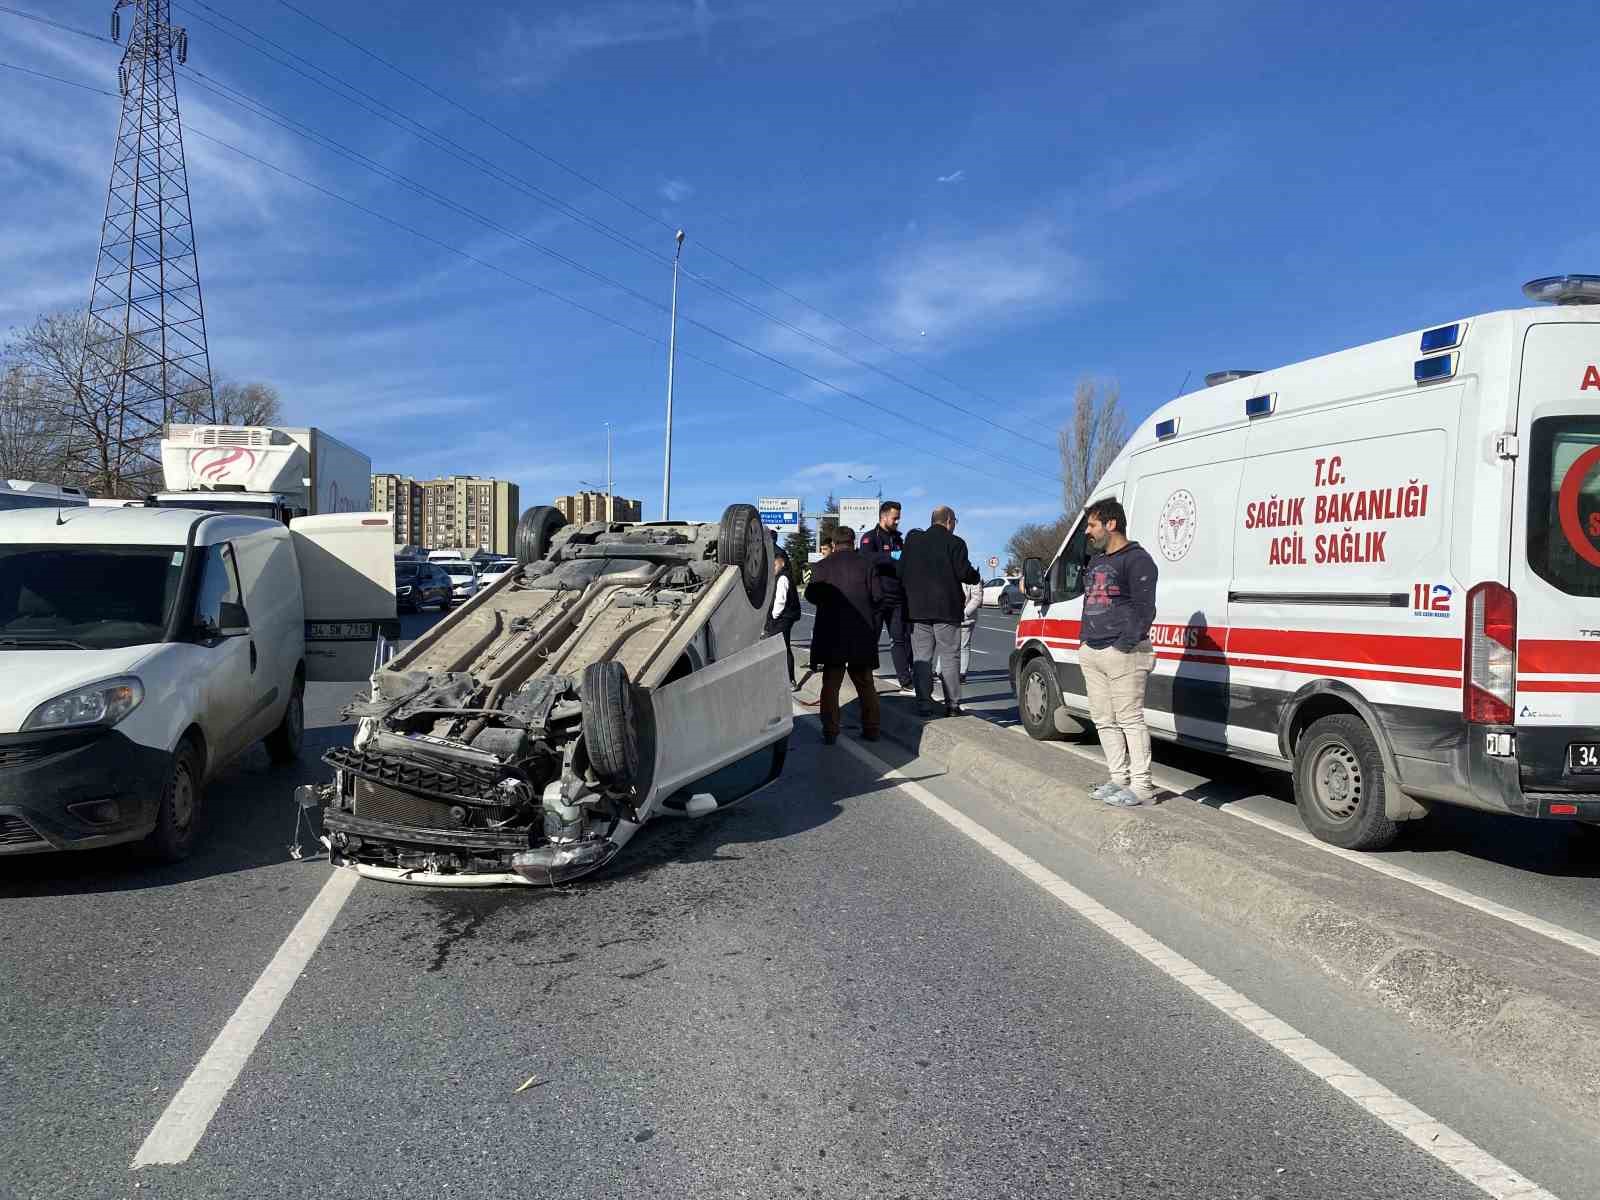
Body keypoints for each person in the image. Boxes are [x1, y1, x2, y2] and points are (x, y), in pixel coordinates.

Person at [1078, 497, 1159, 807]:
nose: (1087, 531)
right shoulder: (1096, 561)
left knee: (1130, 720)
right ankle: (1118, 779)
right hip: (1093, 650)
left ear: (1111, 524)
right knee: (1103, 719)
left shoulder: (1138, 560)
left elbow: (1144, 609)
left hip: (1125, 652)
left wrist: (1122, 645)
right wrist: (1084, 641)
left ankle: (1142, 787)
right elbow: (1089, 602)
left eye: (1092, 525)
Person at [898, 505, 980, 717]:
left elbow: (900, 571)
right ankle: (952, 705)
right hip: (946, 609)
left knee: (922, 658)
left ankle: (924, 704)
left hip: (917, 609)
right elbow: (964, 573)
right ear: (949, 521)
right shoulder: (956, 543)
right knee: (950, 657)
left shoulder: (913, 542)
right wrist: (975, 575)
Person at [803, 526, 882, 745]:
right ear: (853, 542)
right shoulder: (867, 565)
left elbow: (811, 596)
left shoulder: (821, 566)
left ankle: (830, 731)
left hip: (832, 634)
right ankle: (872, 729)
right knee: (865, 683)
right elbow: (878, 597)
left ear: (833, 543)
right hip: (861, 633)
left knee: (831, 684)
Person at [858, 501, 913, 692]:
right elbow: (867, 558)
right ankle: (865, 679)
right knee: (871, 639)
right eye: (894, 518)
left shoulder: (898, 539)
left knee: (899, 639)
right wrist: (891, 558)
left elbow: (904, 563)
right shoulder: (870, 538)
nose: (897, 522)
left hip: (897, 597)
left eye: (899, 518)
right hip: (877, 597)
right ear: (883, 516)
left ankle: (905, 680)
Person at [766, 549, 802, 689]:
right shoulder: (781, 577)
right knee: (783, 647)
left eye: (774, 565)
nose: (772, 568)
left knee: (781, 647)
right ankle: (786, 679)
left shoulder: (782, 578)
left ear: (782, 563)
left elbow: (780, 601)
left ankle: (789, 680)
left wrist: (773, 617)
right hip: (785, 617)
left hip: (783, 618)